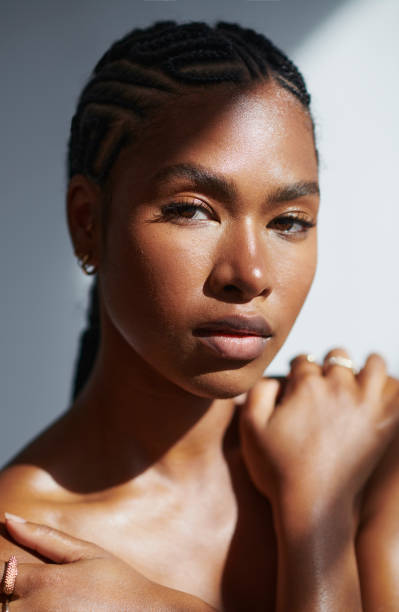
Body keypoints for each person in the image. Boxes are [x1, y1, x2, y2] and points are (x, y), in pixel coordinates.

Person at [0, 19, 398, 611]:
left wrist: (319, 506)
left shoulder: (364, 448)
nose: (252, 274)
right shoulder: (24, 551)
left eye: (289, 221)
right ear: (88, 221)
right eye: (193, 210)